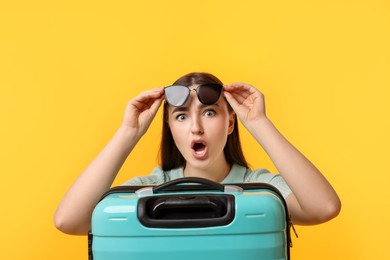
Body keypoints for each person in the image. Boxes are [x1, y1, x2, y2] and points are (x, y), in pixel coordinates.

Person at [54, 72, 341, 235]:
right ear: (169, 126)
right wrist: (128, 133)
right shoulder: (148, 190)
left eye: (209, 112)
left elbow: (324, 207)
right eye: (181, 116)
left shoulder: (262, 189)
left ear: (230, 122)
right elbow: (69, 221)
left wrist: (259, 123)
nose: (196, 128)